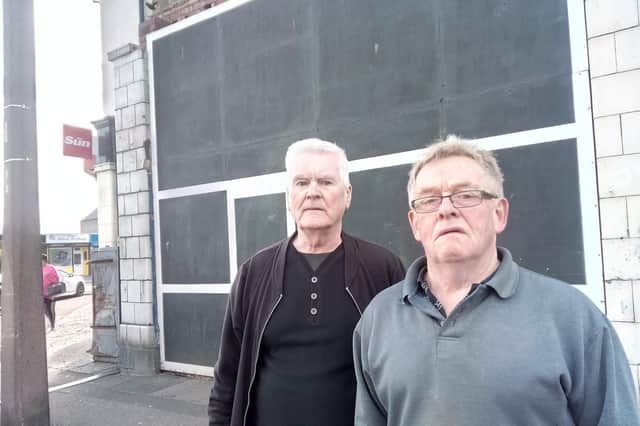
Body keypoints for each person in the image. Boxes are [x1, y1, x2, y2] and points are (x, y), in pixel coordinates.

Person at [353, 135, 640, 426]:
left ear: (499, 214)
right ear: (415, 224)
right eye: (429, 199)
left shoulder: (573, 318)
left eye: (466, 195)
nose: (446, 209)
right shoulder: (378, 319)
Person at [208, 138, 405, 426]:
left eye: (326, 182)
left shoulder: (382, 269)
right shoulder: (254, 273)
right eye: (301, 183)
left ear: (347, 194)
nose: (313, 192)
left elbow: (405, 371)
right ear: (289, 197)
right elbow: (227, 374)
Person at [42, 254, 60, 330]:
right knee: (45, 310)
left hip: (51, 292)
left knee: (51, 309)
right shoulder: (38, 268)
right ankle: (50, 321)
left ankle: (53, 325)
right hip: (42, 293)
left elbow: (56, 278)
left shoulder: (50, 268)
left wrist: (52, 284)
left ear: (44, 260)